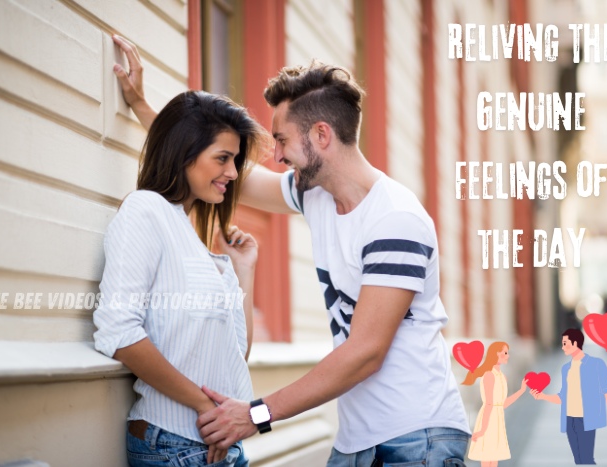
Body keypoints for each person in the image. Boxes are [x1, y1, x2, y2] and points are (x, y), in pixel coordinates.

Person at [113, 35, 471, 466]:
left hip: (418, 438)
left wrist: (255, 414)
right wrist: (145, 110)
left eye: (281, 140)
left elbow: (366, 352)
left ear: (321, 135)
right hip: (360, 438)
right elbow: (219, 169)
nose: (277, 156)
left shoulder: (396, 219)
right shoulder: (315, 195)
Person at [93, 82, 267, 466]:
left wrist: (244, 271)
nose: (233, 173)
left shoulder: (195, 242)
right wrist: (209, 409)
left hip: (221, 444)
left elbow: (237, 353)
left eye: (235, 160)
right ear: (184, 152)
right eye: (223, 158)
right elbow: (118, 331)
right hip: (174, 446)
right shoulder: (145, 210)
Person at [531, 329, 607, 465]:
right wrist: (543, 396)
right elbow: (563, 397)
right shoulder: (566, 368)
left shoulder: (596, 364)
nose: (562, 347)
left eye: (565, 344)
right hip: (570, 420)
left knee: (586, 459)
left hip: (586, 418)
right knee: (579, 460)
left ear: (575, 343)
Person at [463, 342, 528, 466]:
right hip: (489, 419)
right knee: (488, 459)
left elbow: (502, 404)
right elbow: (489, 404)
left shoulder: (501, 376)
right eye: (504, 353)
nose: (507, 356)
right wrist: (482, 429)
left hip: (497, 419)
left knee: (494, 459)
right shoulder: (489, 375)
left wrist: (521, 391)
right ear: (495, 354)